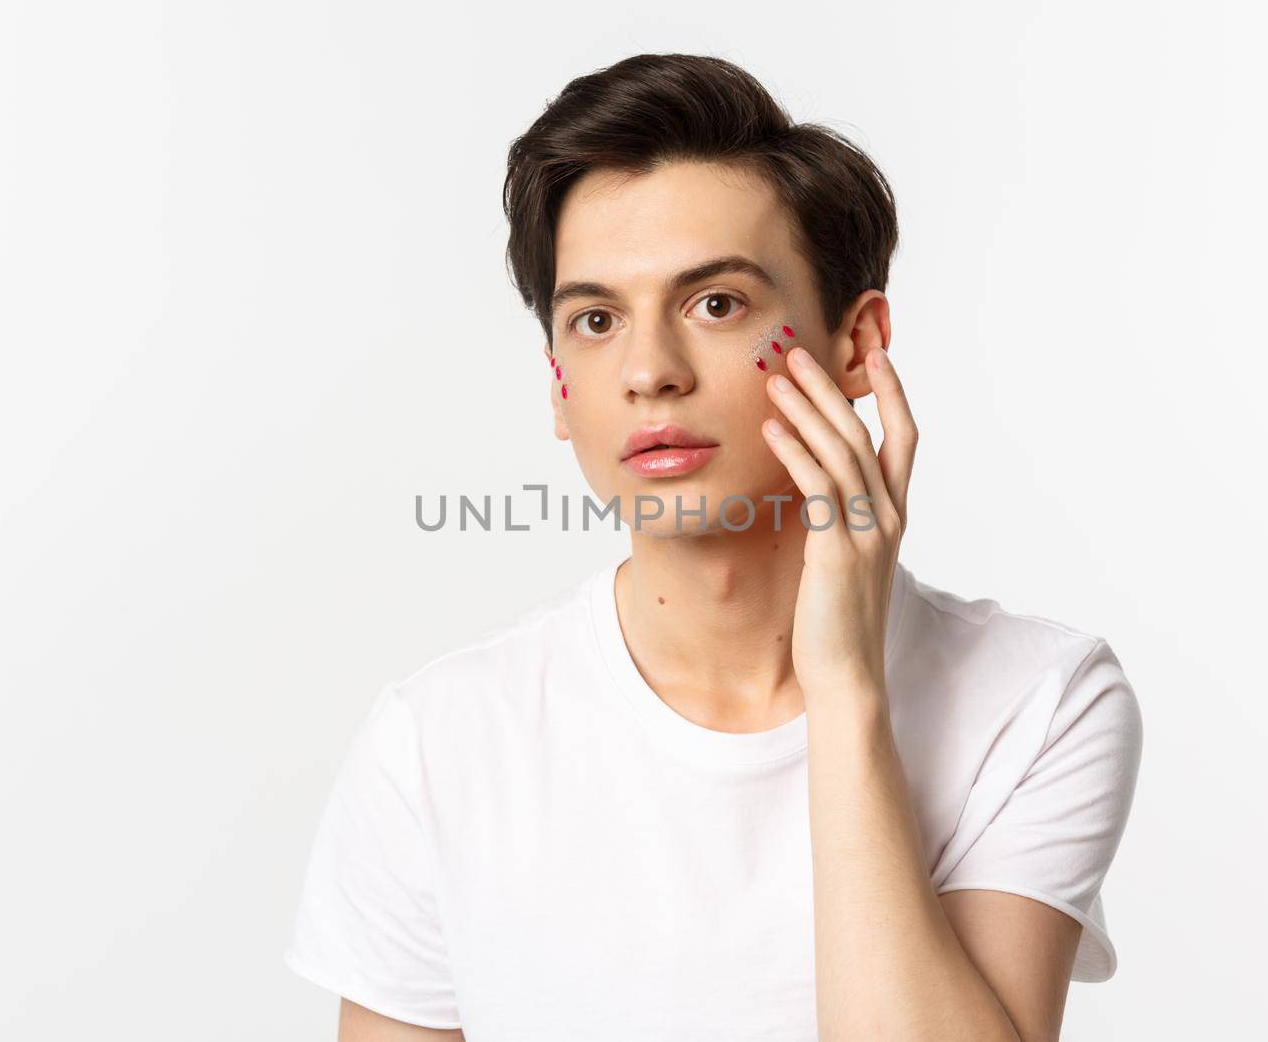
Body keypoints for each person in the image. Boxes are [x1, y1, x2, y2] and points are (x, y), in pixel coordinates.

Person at [284, 53, 1143, 1042]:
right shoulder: (438, 742)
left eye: (716, 303)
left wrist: (846, 690)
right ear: (560, 385)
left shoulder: (1035, 700)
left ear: (857, 346)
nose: (649, 370)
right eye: (597, 320)